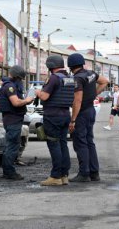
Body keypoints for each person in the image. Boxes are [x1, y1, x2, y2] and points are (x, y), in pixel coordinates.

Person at [68, 53, 108, 182]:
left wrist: (73, 120)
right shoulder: (91, 73)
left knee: (81, 142)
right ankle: (94, 173)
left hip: (82, 113)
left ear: (70, 65)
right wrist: (93, 94)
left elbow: (77, 101)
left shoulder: (77, 78)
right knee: (89, 141)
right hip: (91, 110)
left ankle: (84, 173)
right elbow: (105, 81)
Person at [36, 55, 74, 186]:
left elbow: (45, 96)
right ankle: (64, 175)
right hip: (65, 115)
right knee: (63, 144)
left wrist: (37, 92)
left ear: (50, 65)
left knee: (54, 144)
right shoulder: (69, 78)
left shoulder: (54, 78)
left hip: (53, 116)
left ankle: (55, 176)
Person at [0, 65, 34, 180]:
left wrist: (26, 101)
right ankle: (9, 172)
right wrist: (27, 100)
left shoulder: (12, 86)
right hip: (12, 120)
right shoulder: (10, 87)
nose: (21, 81)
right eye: (20, 78)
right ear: (15, 76)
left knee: (11, 145)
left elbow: (19, 102)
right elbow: (15, 103)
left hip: (13, 119)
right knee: (12, 146)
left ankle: (7, 171)